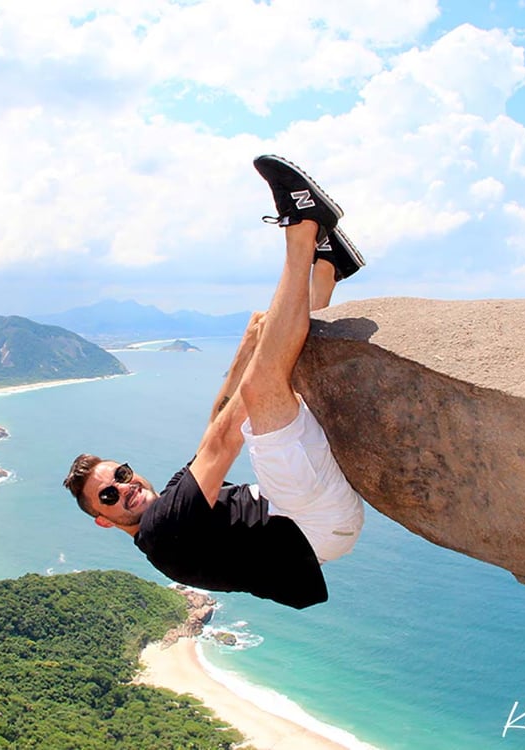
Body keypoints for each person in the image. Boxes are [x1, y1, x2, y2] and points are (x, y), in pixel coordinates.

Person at [63, 155, 366, 608]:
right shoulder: (162, 530)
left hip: (309, 517)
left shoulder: (168, 506)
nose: (124, 487)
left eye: (121, 474)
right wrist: (257, 367)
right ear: (103, 520)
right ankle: (304, 227)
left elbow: (211, 430)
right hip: (309, 521)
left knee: (270, 392)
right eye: (109, 494)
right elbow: (223, 441)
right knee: (262, 393)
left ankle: (326, 268)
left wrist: (247, 348)